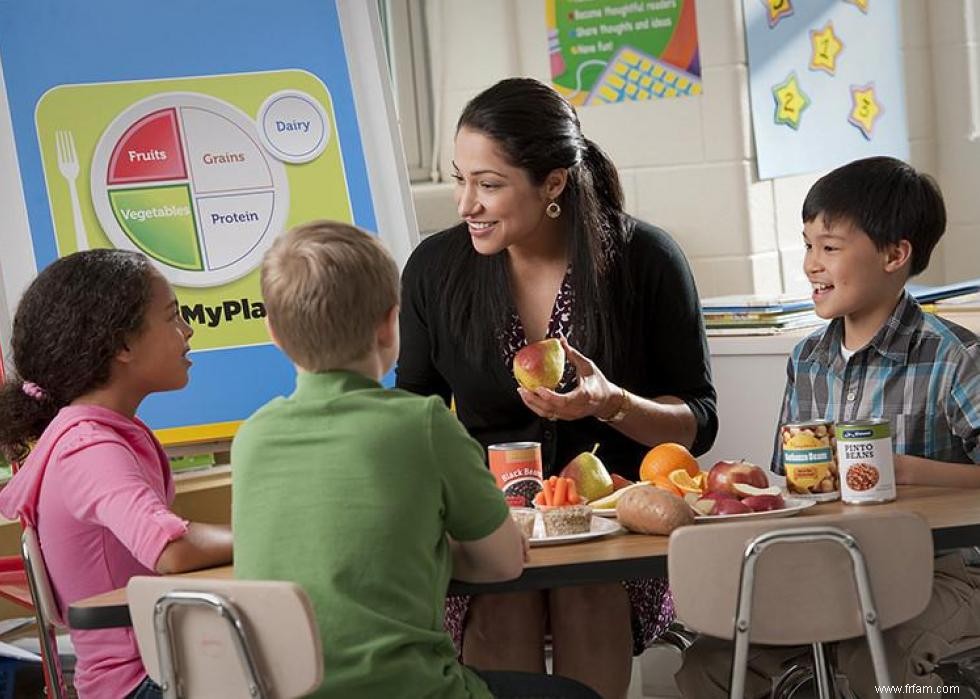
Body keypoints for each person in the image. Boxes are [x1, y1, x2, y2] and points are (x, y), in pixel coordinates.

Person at [396, 77, 718, 698]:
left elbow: (698, 419)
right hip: (489, 530)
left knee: (587, 592)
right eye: (459, 178)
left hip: (613, 526)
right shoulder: (434, 270)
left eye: (488, 184)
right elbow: (416, 414)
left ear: (552, 184)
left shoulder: (646, 258)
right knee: (503, 599)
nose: (466, 204)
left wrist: (612, 403)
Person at [231, 220, 600, 698]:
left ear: (274, 333)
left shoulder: (253, 437)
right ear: (390, 324)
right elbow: (503, 563)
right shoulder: (423, 424)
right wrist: (431, 546)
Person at [676, 156, 980, 698]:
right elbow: (787, 484)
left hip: (943, 572)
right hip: (824, 565)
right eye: (808, 245)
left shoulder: (952, 358)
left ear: (894, 254)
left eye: (830, 247)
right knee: (712, 664)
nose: (812, 264)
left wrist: (906, 472)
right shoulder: (808, 359)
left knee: (879, 657)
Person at [0, 249, 233, 699]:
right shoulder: (90, 449)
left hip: (158, 666)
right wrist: (273, 535)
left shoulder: (99, 433)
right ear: (123, 345)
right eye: (172, 317)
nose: (187, 331)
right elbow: (170, 549)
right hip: (141, 683)